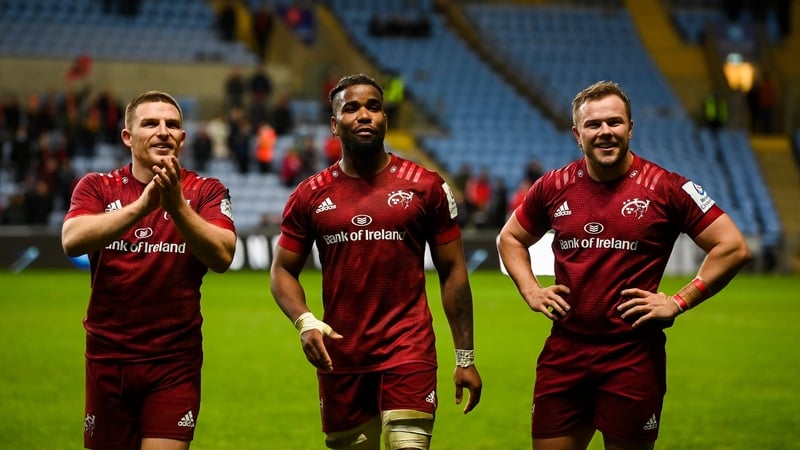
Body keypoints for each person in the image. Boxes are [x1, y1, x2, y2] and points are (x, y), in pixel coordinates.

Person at [496, 81, 751, 450]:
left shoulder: (667, 188)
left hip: (633, 356)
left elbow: (732, 247)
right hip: (564, 353)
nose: (605, 132)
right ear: (577, 134)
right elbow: (510, 238)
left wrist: (679, 301)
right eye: (593, 124)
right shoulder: (553, 185)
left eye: (614, 122)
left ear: (630, 128)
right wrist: (531, 290)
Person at [270, 73, 482, 450]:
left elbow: (452, 269)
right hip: (341, 355)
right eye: (351, 108)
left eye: (374, 107)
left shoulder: (426, 186)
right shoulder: (309, 195)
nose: (364, 115)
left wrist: (464, 356)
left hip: (408, 348)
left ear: (385, 118)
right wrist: (304, 321)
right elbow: (282, 270)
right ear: (334, 124)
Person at [61, 90, 237, 450]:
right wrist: (142, 207)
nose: (163, 131)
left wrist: (177, 207)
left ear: (182, 138)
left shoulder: (206, 191)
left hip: (174, 360)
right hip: (108, 357)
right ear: (128, 136)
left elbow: (222, 256)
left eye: (172, 125)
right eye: (151, 123)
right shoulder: (97, 186)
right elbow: (72, 240)